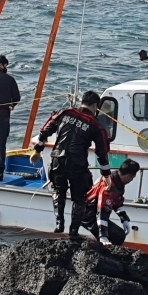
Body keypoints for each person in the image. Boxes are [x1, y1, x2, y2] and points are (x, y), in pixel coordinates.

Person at [31, 90, 111, 239]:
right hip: (77, 165)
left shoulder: (64, 113)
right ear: (95, 106)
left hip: (57, 161)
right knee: (80, 198)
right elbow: (103, 152)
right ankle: (73, 232)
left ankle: (58, 223)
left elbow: (45, 130)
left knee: (58, 190)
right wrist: (106, 175)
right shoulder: (95, 125)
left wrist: (37, 150)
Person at [81, 159, 140, 247]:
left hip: (93, 212)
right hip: (88, 214)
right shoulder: (109, 185)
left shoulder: (117, 181)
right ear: (128, 176)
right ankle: (103, 251)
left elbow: (117, 201)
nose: (131, 180)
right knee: (117, 236)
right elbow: (102, 210)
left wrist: (124, 218)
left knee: (118, 235)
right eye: (132, 178)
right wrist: (103, 235)